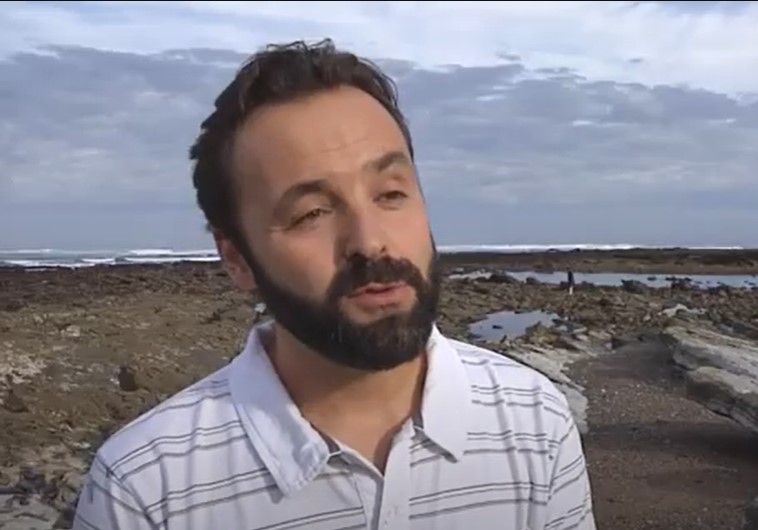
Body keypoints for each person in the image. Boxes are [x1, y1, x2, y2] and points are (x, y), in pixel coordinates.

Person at [73, 39, 596, 530]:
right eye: (312, 212)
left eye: (391, 193)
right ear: (237, 259)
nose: (370, 242)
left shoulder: (534, 418)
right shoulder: (144, 487)